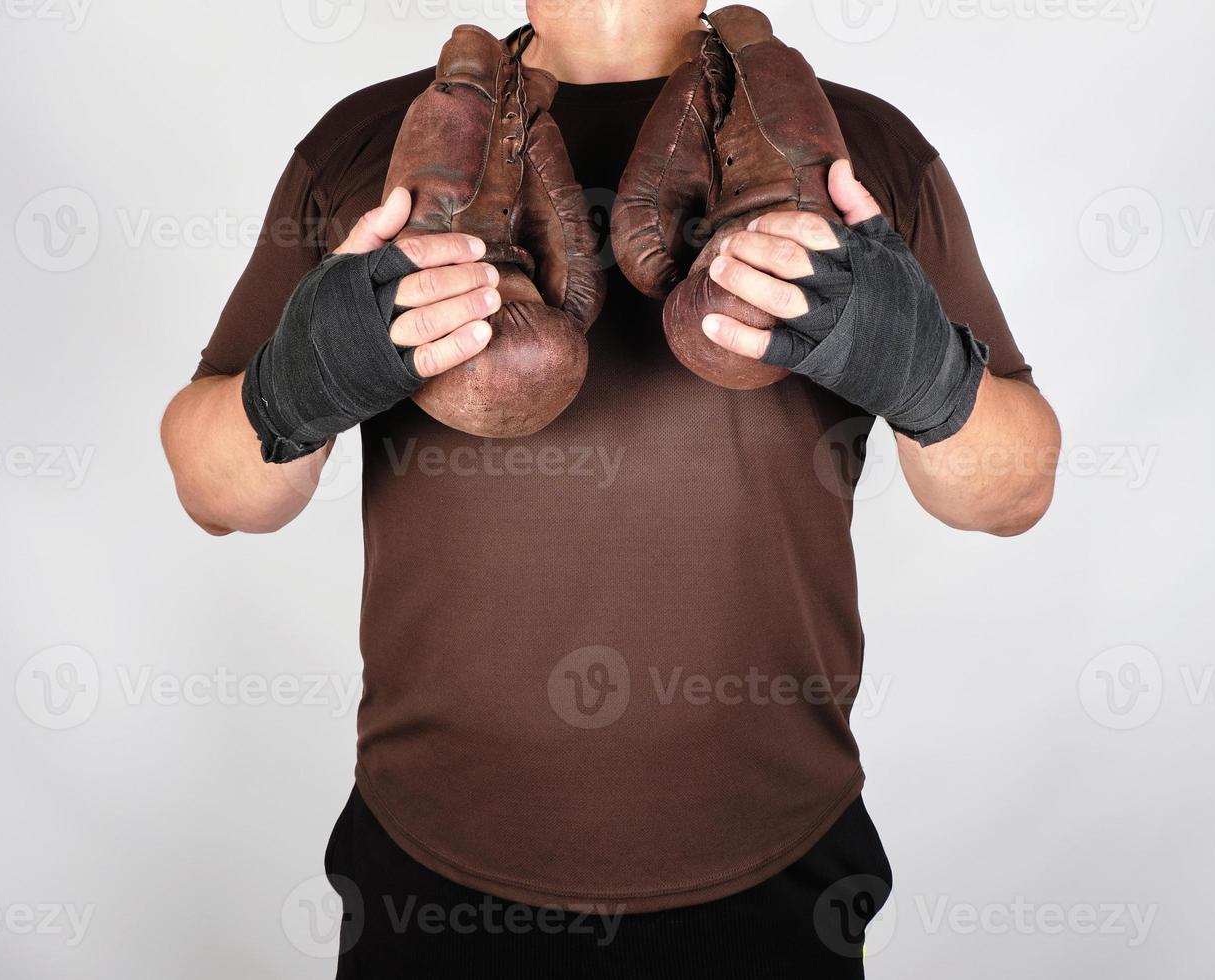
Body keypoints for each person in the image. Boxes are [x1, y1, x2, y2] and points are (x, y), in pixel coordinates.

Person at [160, 2, 1060, 975]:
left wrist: (923, 368)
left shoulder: (859, 153)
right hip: (431, 861)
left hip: (777, 858)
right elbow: (220, 494)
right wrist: (301, 377)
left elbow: (1011, 493)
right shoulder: (368, 146)